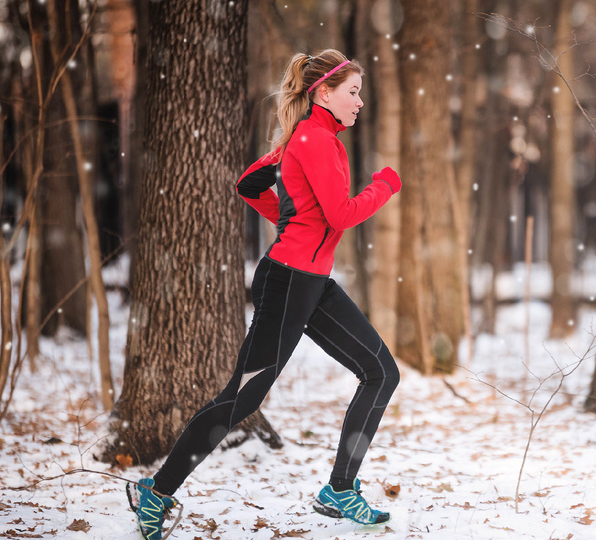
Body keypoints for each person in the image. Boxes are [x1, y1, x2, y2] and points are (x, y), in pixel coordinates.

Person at [129, 49, 402, 539]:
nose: (360, 102)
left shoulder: (313, 138)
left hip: (312, 282)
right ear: (324, 92)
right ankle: (157, 491)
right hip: (288, 282)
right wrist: (383, 185)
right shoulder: (314, 139)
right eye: (354, 92)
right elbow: (340, 214)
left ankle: (340, 489)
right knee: (241, 396)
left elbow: (249, 183)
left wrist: (286, 211)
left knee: (381, 372)